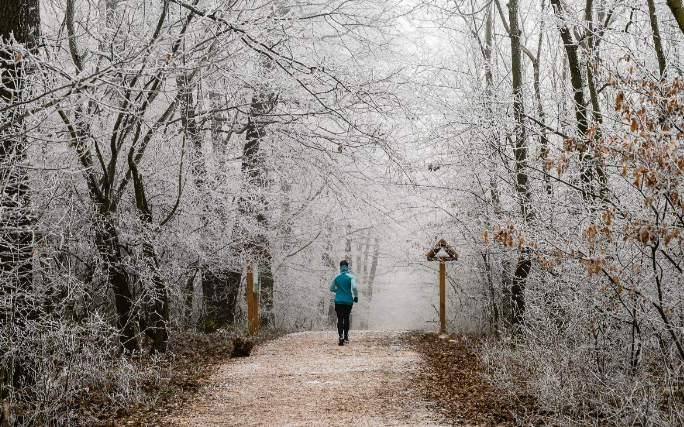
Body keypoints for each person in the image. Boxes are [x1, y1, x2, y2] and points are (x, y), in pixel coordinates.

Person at [329, 260, 359, 346]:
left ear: (340, 267)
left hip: (338, 301)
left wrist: (337, 290)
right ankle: (346, 336)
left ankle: (340, 336)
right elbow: (354, 287)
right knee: (346, 318)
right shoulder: (350, 277)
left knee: (340, 318)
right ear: (347, 267)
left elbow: (331, 288)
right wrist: (356, 296)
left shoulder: (336, 277)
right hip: (348, 301)